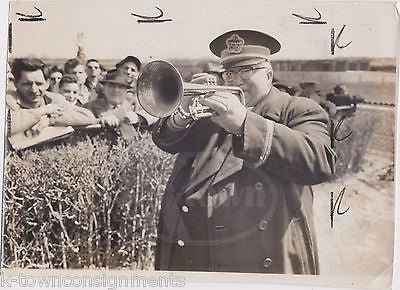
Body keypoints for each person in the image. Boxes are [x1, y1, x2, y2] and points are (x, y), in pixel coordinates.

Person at [152, 30, 336, 274]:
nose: (235, 81)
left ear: (269, 74)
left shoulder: (298, 109)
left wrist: (245, 123)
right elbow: (167, 141)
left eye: (246, 70)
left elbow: (320, 161)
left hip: (264, 257)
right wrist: (182, 111)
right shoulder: (214, 115)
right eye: (229, 73)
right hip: (201, 252)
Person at [6, 58, 97, 137]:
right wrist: (44, 111)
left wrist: (50, 120)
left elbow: (88, 117)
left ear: (47, 83)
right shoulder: (8, 100)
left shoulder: (54, 99)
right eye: (27, 84)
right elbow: (7, 127)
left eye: (39, 84)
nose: (34, 89)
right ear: (16, 84)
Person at [84, 70, 153, 139]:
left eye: (121, 87)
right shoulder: (90, 107)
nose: (116, 90)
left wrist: (138, 118)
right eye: (112, 86)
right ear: (104, 89)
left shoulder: (127, 106)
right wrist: (99, 120)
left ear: (126, 92)